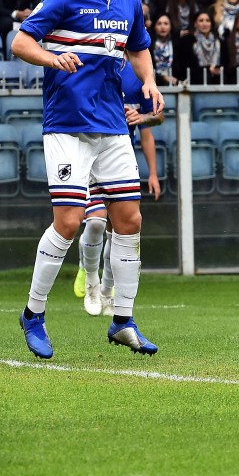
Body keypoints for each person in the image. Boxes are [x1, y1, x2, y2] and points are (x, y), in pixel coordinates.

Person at [12, 0, 164, 360]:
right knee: (69, 222)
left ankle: (123, 321)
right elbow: (21, 42)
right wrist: (51, 58)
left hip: (114, 125)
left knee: (130, 221)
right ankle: (33, 314)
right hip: (67, 127)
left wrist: (150, 80)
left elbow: (138, 48)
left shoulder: (130, 0)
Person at [72, 60, 163, 316]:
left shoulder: (138, 71)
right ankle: (90, 276)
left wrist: (141, 116)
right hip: (89, 157)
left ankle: (107, 291)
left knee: (118, 230)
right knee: (96, 223)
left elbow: (155, 119)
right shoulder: (91, 64)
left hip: (119, 162)